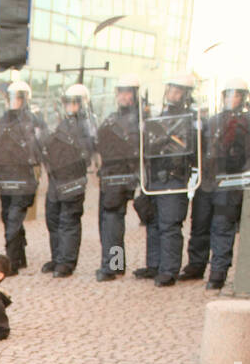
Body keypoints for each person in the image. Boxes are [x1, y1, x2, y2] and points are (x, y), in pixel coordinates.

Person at [187, 78, 249, 291]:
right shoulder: (212, 120)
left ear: (243, 98)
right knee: (199, 224)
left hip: (230, 183)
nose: (232, 99)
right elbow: (201, 148)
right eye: (229, 94)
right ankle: (195, 266)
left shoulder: (246, 122)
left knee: (222, 227)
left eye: (237, 95)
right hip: (208, 181)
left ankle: (218, 273)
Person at [135, 74, 196, 287]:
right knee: (153, 222)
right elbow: (149, 146)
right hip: (155, 178)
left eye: (178, 91)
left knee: (169, 225)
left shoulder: (190, 120)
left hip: (174, 178)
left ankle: (169, 271)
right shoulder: (160, 117)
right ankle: (154, 265)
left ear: (186, 95)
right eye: (171, 90)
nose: (172, 94)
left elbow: (187, 149)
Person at [42, 83, 96, 277]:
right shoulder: (62, 123)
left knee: (68, 221)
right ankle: (57, 257)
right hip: (56, 178)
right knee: (53, 219)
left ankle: (66, 262)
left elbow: (87, 151)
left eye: (74, 104)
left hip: (73, 178)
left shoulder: (87, 124)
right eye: (68, 103)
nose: (70, 107)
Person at [0, 79, 43, 274]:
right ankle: (19, 257)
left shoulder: (33, 120)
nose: (13, 102)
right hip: (6, 177)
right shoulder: (3, 120)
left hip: (23, 177)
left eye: (17, 98)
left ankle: (12, 262)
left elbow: (40, 147)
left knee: (14, 218)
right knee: (8, 217)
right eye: (11, 98)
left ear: (25, 100)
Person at [95, 75, 141, 281]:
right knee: (110, 221)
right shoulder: (114, 117)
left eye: (127, 92)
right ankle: (118, 264)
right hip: (111, 175)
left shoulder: (139, 120)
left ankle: (111, 267)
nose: (123, 96)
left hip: (123, 175)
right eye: (120, 92)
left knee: (112, 221)